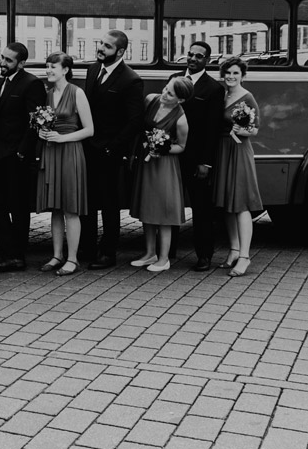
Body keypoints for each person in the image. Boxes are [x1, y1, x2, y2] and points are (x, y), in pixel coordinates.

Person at [81, 30, 144, 269]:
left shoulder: (131, 79)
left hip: (110, 152)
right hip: (88, 146)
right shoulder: (92, 70)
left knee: (109, 203)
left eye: (107, 46)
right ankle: (87, 247)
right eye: (101, 43)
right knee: (88, 200)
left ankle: (108, 252)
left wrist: (113, 148)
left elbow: (135, 121)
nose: (100, 48)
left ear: (120, 51)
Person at [0, 43, 46, 273]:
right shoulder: (3, 82)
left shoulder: (32, 83)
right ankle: (9, 252)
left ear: (21, 63)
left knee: (18, 207)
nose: (2, 63)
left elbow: (35, 122)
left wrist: (22, 152)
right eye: (2, 58)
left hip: (17, 157)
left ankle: (16, 256)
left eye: (8, 60)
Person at [36, 53, 94, 276]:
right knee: (56, 208)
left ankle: (72, 258)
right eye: (47, 66)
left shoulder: (77, 92)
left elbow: (89, 130)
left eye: (53, 67)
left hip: (70, 152)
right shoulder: (49, 94)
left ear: (66, 70)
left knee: (71, 208)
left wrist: (62, 138)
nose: (48, 70)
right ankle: (56, 255)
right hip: (52, 152)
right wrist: (43, 132)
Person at [129, 77, 193, 272]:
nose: (164, 94)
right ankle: (150, 254)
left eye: (170, 93)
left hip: (164, 165)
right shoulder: (151, 99)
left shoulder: (181, 119)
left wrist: (163, 148)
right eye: (166, 88)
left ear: (180, 100)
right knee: (147, 208)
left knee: (163, 212)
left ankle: (164, 259)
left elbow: (181, 146)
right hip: (146, 162)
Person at [171, 41, 224, 271]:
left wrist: (206, 162)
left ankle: (204, 255)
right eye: (190, 55)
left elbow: (213, 130)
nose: (193, 59)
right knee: (170, 203)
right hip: (172, 154)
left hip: (196, 158)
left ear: (208, 61)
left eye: (199, 56)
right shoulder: (174, 79)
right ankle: (168, 251)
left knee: (202, 209)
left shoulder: (213, 88)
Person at [214, 57, 263, 278]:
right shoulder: (224, 96)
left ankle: (244, 256)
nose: (231, 77)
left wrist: (239, 130)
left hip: (239, 151)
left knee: (241, 203)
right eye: (227, 73)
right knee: (227, 202)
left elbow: (254, 131)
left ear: (242, 75)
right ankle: (234, 249)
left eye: (235, 73)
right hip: (223, 150)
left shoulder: (247, 97)